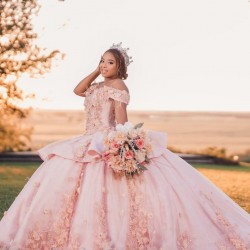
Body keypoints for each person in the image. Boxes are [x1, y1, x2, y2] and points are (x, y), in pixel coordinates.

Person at [0, 42, 249, 250]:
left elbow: (121, 122)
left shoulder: (119, 86)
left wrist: (123, 144)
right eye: (102, 61)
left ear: (120, 66)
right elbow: (77, 90)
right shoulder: (97, 85)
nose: (104, 65)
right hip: (87, 138)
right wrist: (96, 72)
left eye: (109, 62)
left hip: (107, 138)